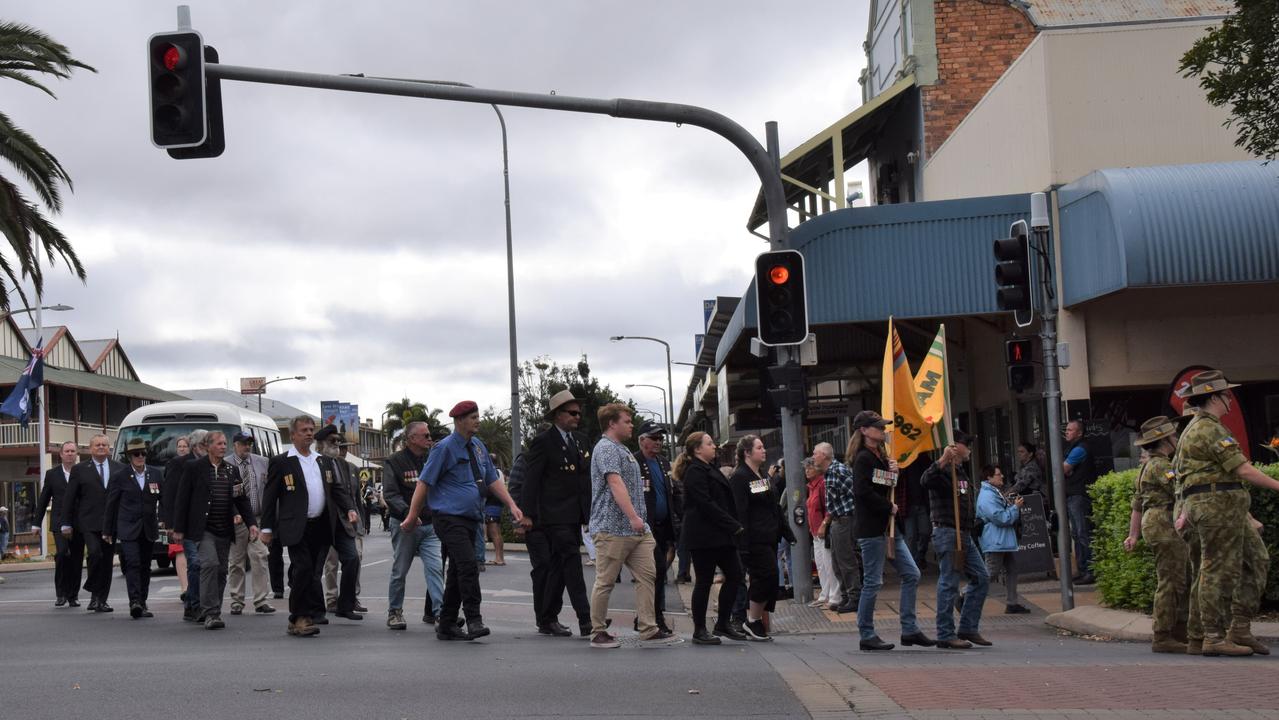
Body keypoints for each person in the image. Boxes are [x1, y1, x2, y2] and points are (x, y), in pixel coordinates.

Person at [1173, 370, 1279, 656]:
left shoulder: (1199, 428)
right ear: (1216, 397)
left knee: (1255, 560)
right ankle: (1213, 636)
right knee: (1217, 569)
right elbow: (1241, 469)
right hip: (1216, 509)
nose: (1230, 399)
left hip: (1226, 508)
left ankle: (1237, 630)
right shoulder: (1209, 429)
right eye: (1226, 394)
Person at [402, 401, 524, 641]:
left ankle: (446, 623)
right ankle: (474, 619)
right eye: (472, 417)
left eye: (478, 416)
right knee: (469, 565)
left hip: (471, 518)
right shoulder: (444, 448)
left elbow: (492, 479)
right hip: (448, 518)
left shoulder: (478, 447)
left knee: (458, 570)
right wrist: (412, 515)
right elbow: (424, 482)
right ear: (459, 421)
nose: (477, 420)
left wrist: (512, 504)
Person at [585, 403, 681, 649]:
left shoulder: (622, 449)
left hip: (636, 530)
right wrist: (633, 517)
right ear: (612, 423)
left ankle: (648, 627)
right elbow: (615, 482)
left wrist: (639, 523)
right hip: (612, 527)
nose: (631, 425)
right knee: (605, 580)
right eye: (627, 421)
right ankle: (597, 631)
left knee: (648, 575)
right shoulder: (606, 448)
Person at [260, 415, 359, 638]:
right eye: (303, 430)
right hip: (296, 526)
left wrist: (349, 508)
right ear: (293, 434)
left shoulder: (322, 460)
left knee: (311, 572)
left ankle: (300, 617)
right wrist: (266, 528)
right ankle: (300, 617)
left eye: (311, 429)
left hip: (321, 525)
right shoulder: (282, 461)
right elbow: (269, 497)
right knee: (302, 569)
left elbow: (336, 490)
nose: (308, 433)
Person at [847, 411, 933, 651]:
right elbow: (862, 490)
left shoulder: (880, 455)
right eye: (877, 426)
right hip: (873, 528)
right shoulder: (863, 458)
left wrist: (894, 474)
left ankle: (910, 629)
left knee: (912, 573)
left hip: (889, 527)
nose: (882, 430)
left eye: (882, 426)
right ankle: (866, 633)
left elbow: (883, 484)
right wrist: (888, 506)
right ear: (864, 430)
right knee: (873, 582)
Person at [517, 390, 594, 637]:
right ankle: (586, 620)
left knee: (558, 567)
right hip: (553, 515)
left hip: (574, 515)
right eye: (572, 413)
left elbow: (585, 480)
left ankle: (548, 617)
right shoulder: (544, 441)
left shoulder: (580, 440)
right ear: (557, 415)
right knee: (572, 562)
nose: (577, 417)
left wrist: (590, 513)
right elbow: (531, 480)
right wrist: (526, 514)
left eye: (578, 413)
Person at [172, 431, 259, 630]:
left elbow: (241, 499)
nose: (223, 447)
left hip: (224, 528)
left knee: (221, 571)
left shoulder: (231, 470)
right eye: (219, 443)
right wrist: (178, 528)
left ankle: (215, 610)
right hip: (203, 529)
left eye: (224, 443)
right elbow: (182, 498)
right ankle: (210, 612)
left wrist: (252, 523)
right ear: (208, 446)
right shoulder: (194, 468)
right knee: (209, 564)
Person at [1122, 416, 1189, 653]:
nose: (1177, 438)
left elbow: (1137, 505)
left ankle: (1177, 631)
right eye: (1173, 435)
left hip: (1155, 522)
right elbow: (1181, 491)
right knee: (1172, 581)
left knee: (1176, 578)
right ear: (1165, 440)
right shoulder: (1161, 465)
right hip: (1164, 523)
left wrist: (1133, 535)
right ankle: (1163, 635)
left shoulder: (1146, 466)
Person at [921, 430, 990, 649]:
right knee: (949, 583)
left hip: (964, 533)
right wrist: (942, 460)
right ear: (956, 446)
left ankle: (968, 627)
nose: (970, 448)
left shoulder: (960, 471)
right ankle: (945, 633)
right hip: (948, 532)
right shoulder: (943, 470)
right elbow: (926, 479)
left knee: (981, 577)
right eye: (967, 444)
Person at [676, 431, 746, 645]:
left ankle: (722, 623)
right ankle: (699, 630)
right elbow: (705, 504)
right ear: (697, 449)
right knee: (704, 582)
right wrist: (732, 525)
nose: (714, 446)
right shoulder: (695, 472)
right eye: (709, 443)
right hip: (704, 536)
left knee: (735, 575)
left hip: (720, 535)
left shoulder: (708, 468)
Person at [730, 434, 794, 642]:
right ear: (747, 453)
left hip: (769, 536)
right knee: (766, 575)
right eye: (759, 447)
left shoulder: (762, 477)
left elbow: (774, 506)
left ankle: (754, 620)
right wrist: (743, 542)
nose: (764, 450)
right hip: (754, 539)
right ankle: (752, 620)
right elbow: (741, 511)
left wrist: (786, 531)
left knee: (769, 578)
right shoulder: (740, 477)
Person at [382, 421, 444, 630]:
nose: (429, 439)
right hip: (404, 525)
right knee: (400, 570)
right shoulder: (394, 462)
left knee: (436, 568)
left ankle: (440, 613)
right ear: (411, 439)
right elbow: (390, 494)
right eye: (425, 436)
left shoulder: (433, 459)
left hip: (430, 525)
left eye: (429, 435)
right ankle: (395, 611)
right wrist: (408, 514)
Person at [61, 434, 124, 613]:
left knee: (106, 561)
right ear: (90, 449)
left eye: (104, 445)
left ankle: (100, 600)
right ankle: (92, 587)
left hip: (111, 523)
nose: (101, 447)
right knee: (95, 554)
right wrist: (66, 522)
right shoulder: (80, 470)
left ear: (109, 448)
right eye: (98, 445)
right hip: (88, 522)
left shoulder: (119, 468)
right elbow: (69, 498)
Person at [103, 438, 163, 619]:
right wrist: (107, 530)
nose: (140, 457)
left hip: (148, 527)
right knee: (132, 563)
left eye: (143, 453)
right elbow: (111, 505)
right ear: (129, 456)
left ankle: (142, 603)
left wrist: (165, 520)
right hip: (128, 527)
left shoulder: (155, 474)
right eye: (136, 454)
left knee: (145, 566)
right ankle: (134, 601)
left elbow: (164, 499)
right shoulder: (120, 476)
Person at [635, 421, 681, 634]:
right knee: (655, 572)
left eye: (661, 438)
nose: (658, 442)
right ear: (642, 439)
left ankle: (648, 616)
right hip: (646, 527)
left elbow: (674, 493)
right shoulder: (634, 462)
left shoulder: (664, 463)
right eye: (654, 438)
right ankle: (653, 618)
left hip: (664, 527)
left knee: (659, 573)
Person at [317, 426, 364, 621]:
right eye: (332, 441)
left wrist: (355, 516)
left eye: (338, 441)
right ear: (320, 445)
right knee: (318, 566)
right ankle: (320, 606)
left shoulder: (346, 466)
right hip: (322, 521)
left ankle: (347, 604)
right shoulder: (316, 463)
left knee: (352, 559)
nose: (336, 445)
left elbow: (351, 496)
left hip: (344, 522)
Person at [226, 431, 274, 616]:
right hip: (236, 521)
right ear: (235, 445)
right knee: (236, 562)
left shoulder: (262, 462)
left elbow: (268, 490)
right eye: (244, 443)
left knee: (260, 557)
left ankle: (261, 600)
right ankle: (236, 601)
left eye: (249, 444)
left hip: (258, 519)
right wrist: (234, 513)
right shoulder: (227, 464)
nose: (247, 447)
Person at [164, 429, 208, 620]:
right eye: (207, 444)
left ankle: (191, 604)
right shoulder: (179, 463)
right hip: (187, 525)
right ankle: (195, 605)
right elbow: (170, 494)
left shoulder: (211, 463)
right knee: (195, 563)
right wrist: (172, 524)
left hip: (207, 523)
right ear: (197, 446)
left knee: (204, 565)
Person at [31, 441, 81, 607]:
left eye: (72, 451)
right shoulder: (52, 474)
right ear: (60, 454)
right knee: (62, 554)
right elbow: (44, 499)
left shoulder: (82, 472)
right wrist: (36, 523)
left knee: (76, 559)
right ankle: (61, 594)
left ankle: (73, 595)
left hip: (79, 523)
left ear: (76, 454)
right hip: (59, 523)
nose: (69, 454)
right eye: (66, 451)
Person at [813, 441, 860, 613]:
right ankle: (846, 596)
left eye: (815, 453)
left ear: (824, 455)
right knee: (837, 561)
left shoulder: (838, 470)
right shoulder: (829, 472)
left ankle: (855, 597)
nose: (813, 457)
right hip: (837, 521)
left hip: (845, 520)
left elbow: (855, 492)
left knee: (846, 560)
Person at [977, 465, 1029, 616]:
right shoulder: (987, 496)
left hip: (1002, 540)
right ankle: (965, 594)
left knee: (1012, 569)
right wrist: (1015, 508)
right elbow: (1001, 518)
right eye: (998, 475)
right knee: (990, 572)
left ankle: (1012, 603)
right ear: (989, 478)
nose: (1002, 477)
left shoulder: (993, 492)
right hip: (996, 541)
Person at [1062, 420, 1097, 584]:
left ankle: (1090, 570)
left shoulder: (1080, 449)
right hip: (1073, 493)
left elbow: (1062, 469)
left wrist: (1067, 470)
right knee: (1076, 533)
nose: (1067, 432)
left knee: (1082, 533)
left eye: (1070, 430)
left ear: (1079, 433)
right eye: (1066, 429)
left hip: (1078, 494)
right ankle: (1082, 569)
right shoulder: (1075, 448)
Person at [803, 457, 839, 607]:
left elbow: (829, 507)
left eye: (810, 468)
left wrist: (824, 524)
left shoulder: (822, 484)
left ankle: (834, 595)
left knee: (828, 563)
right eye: (806, 468)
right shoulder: (811, 486)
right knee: (820, 565)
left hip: (823, 530)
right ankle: (825, 593)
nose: (807, 471)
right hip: (815, 531)